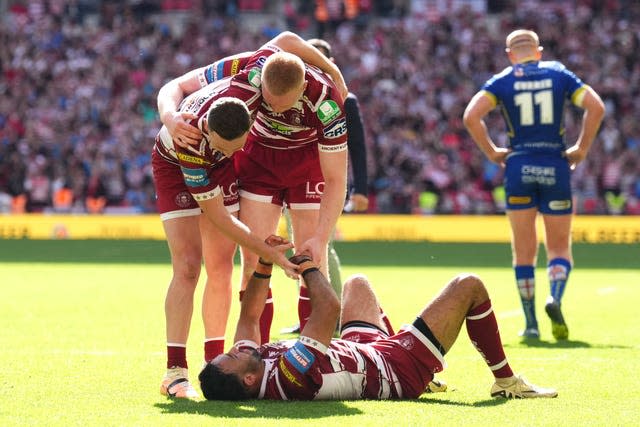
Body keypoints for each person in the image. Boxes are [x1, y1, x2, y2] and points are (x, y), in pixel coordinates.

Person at [155, 31, 347, 399]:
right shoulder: (249, 71)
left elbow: (337, 178)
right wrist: (170, 117)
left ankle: (315, 360)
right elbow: (176, 85)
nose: (273, 111)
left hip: (306, 161)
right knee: (234, 263)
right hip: (254, 159)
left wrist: (331, 69)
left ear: (303, 83)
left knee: (313, 259)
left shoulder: (327, 104)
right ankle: (238, 359)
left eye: (281, 105)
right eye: (268, 105)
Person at [198, 240, 558, 400]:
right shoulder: (290, 377)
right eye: (230, 357)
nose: (233, 350)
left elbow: (248, 315)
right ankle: (506, 382)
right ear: (247, 379)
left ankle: (431, 374)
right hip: (395, 369)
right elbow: (327, 309)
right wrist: (305, 263)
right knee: (469, 286)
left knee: (358, 283)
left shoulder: (253, 365)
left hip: (361, 351)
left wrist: (264, 263)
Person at [153, 83, 300, 399]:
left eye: (238, 146)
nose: (235, 153)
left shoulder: (248, 86)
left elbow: (285, 44)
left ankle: (214, 361)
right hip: (175, 168)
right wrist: (169, 116)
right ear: (208, 131)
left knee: (221, 267)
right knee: (189, 266)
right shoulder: (192, 144)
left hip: (217, 170)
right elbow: (222, 219)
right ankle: (175, 373)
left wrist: (333, 75)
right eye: (226, 147)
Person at [463, 29, 605, 340]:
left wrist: (492, 152)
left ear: (510, 54)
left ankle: (530, 323)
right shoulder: (558, 74)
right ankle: (554, 297)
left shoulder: (502, 81)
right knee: (559, 248)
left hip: (518, 167)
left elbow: (471, 116)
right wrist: (581, 148)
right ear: (538, 51)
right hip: (555, 165)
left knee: (524, 251)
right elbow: (596, 107)